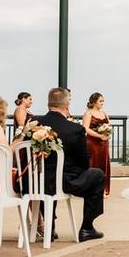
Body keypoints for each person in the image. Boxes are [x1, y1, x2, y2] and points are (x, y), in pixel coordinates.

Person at [39, 88, 106, 241]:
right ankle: (87, 228)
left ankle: (49, 227)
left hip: (37, 182)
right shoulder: (75, 129)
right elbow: (84, 162)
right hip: (65, 182)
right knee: (97, 175)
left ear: (49, 102)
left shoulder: (35, 124)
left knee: (48, 177)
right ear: (66, 105)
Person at [82, 92, 112, 196]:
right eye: (100, 101)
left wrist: (108, 134)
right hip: (92, 143)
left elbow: (109, 126)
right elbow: (85, 128)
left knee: (104, 163)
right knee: (93, 164)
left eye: (103, 101)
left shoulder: (105, 113)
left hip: (104, 143)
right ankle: (91, 189)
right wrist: (99, 136)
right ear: (94, 102)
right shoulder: (88, 113)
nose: (102, 103)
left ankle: (103, 189)